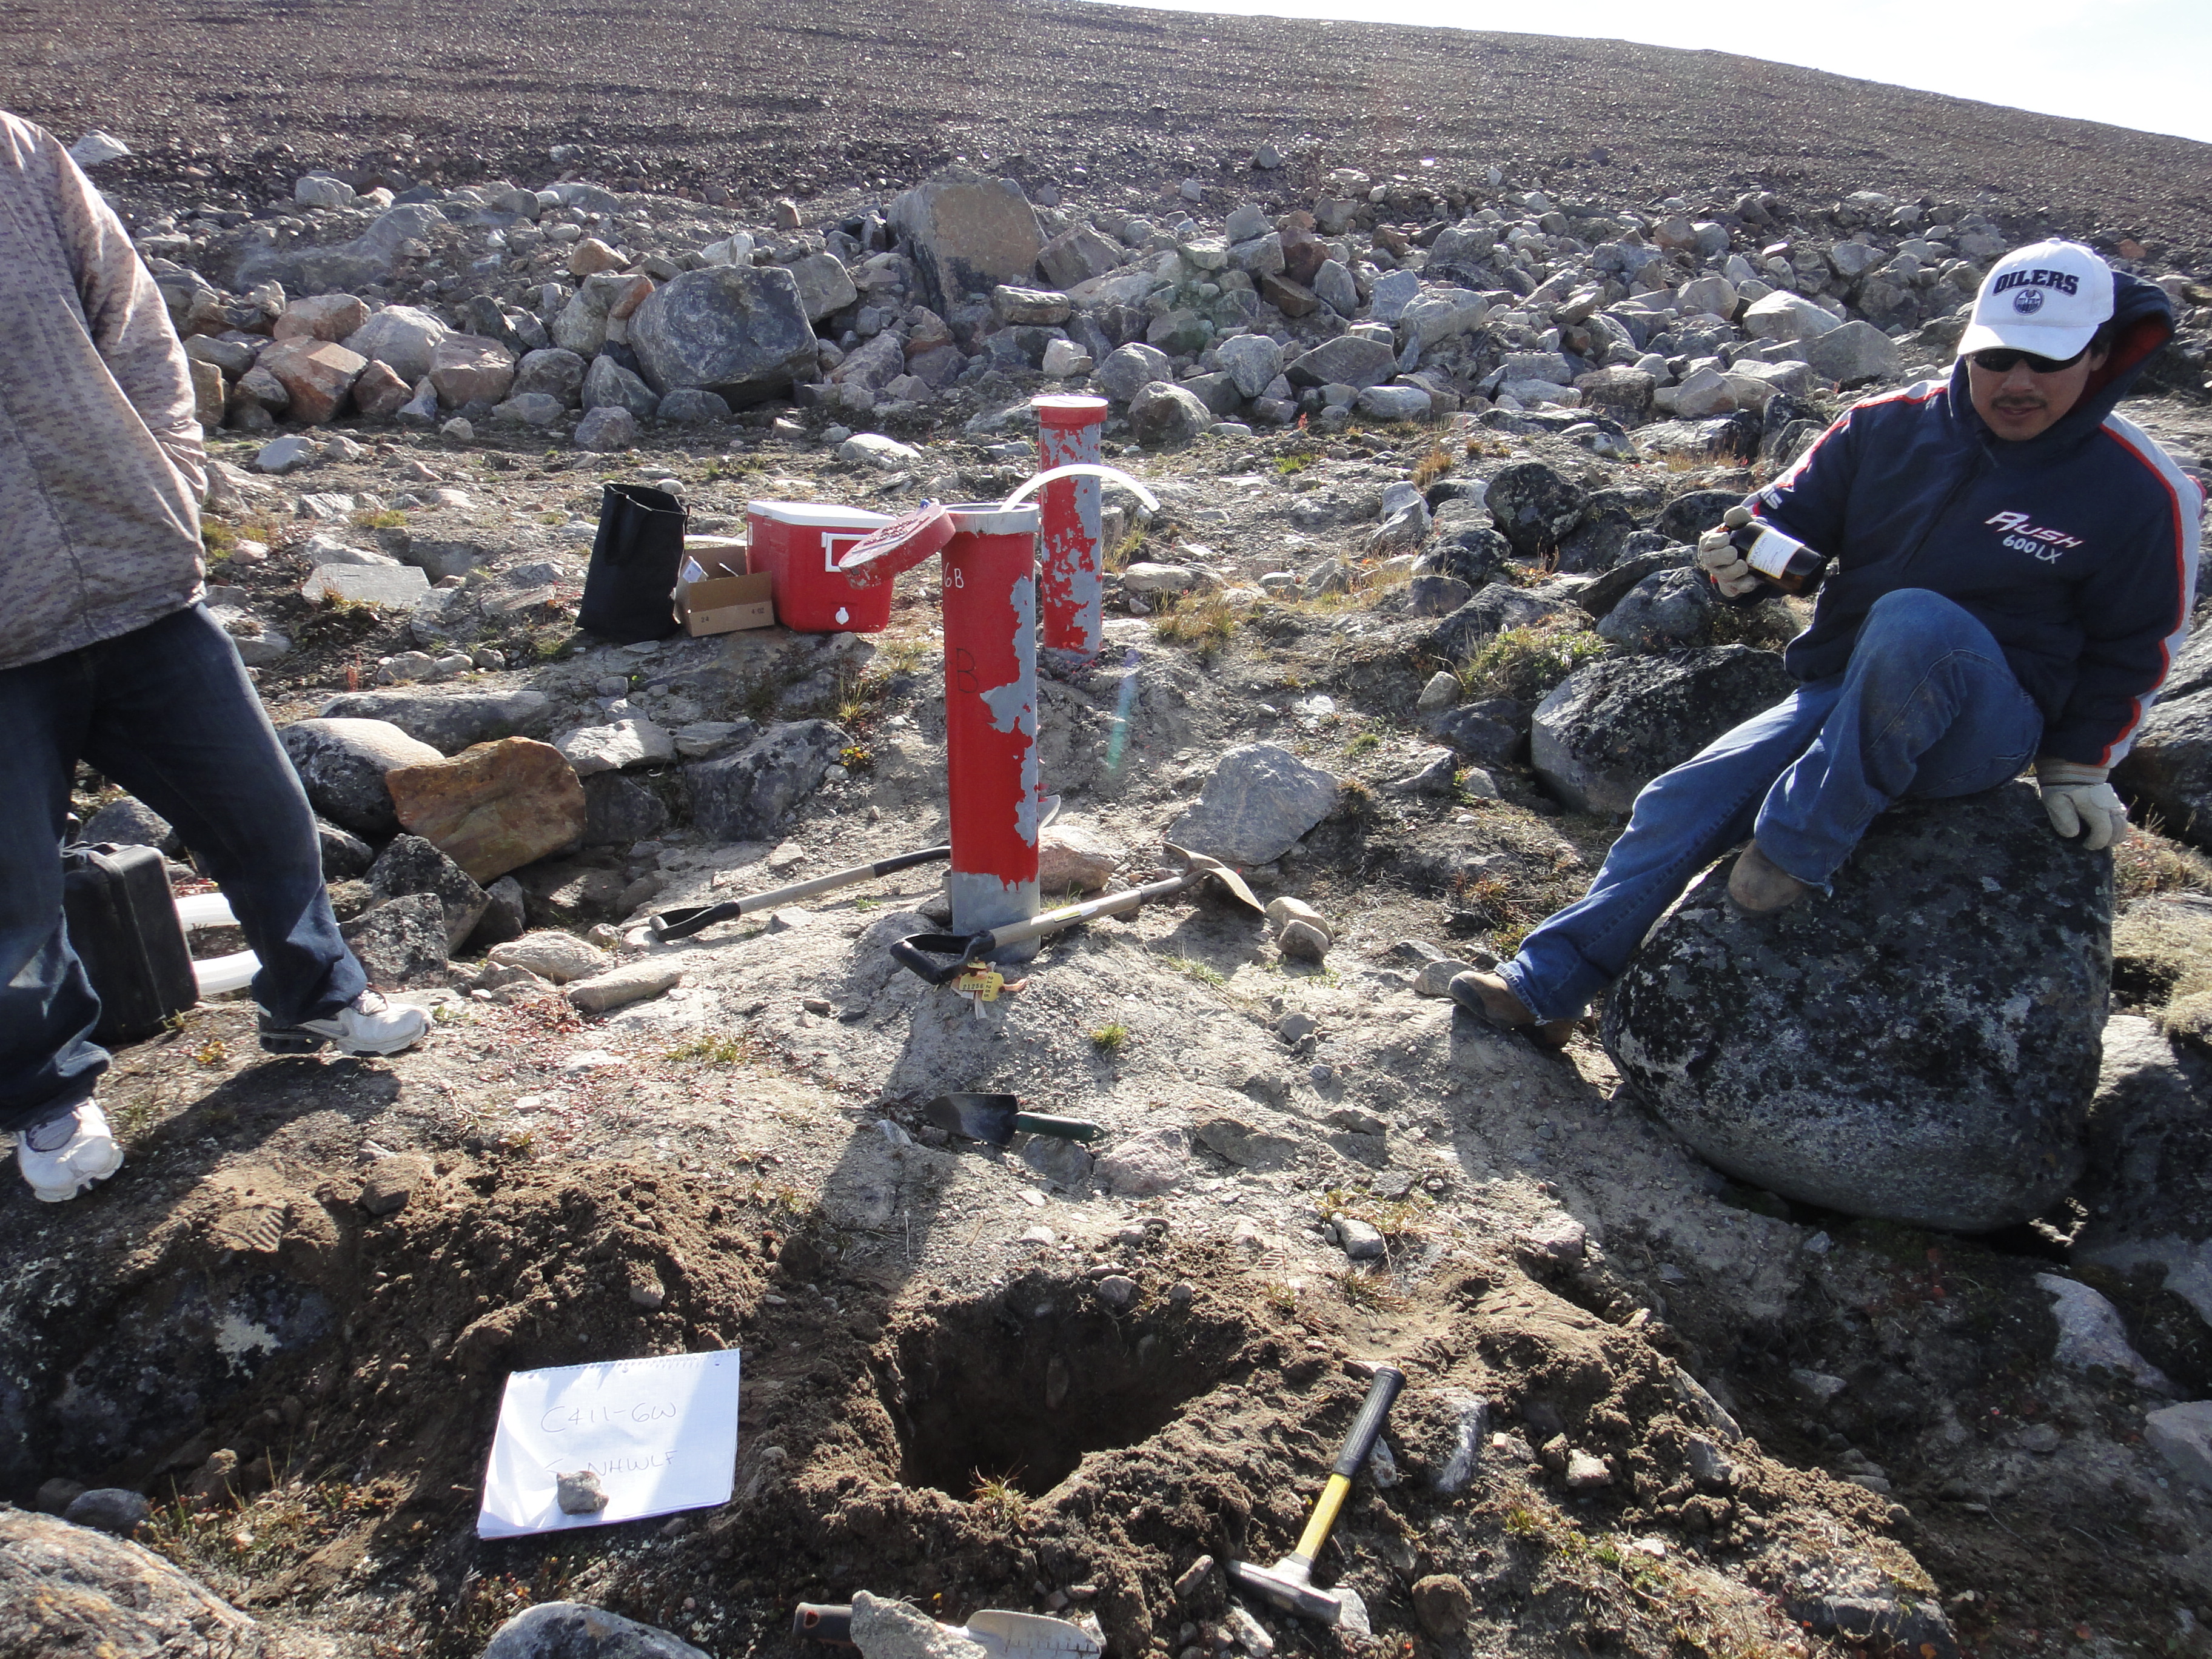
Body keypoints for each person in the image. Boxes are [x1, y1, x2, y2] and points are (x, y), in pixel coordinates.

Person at [1455, 238, 2203, 1048]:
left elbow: (2140, 642)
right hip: (1843, 692)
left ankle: (1795, 848)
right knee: (1683, 800)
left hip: (1983, 728)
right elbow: (1784, 516)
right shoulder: (1884, 427)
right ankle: (1546, 988)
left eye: (2048, 361)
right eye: (1997, 358)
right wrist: (1744, 557)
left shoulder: (2141, 488)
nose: (2017, 383)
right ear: (1969, 346)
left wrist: (2081, 763)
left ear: (2098, 354)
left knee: (1918, 621)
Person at [0, 114, 427, 1204]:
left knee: (264, 813)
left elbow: (136, 323)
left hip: (138, 582)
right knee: (11, 899)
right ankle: (48, 1098)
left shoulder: (21, 157)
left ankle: (315, 995)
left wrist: (172, 475)